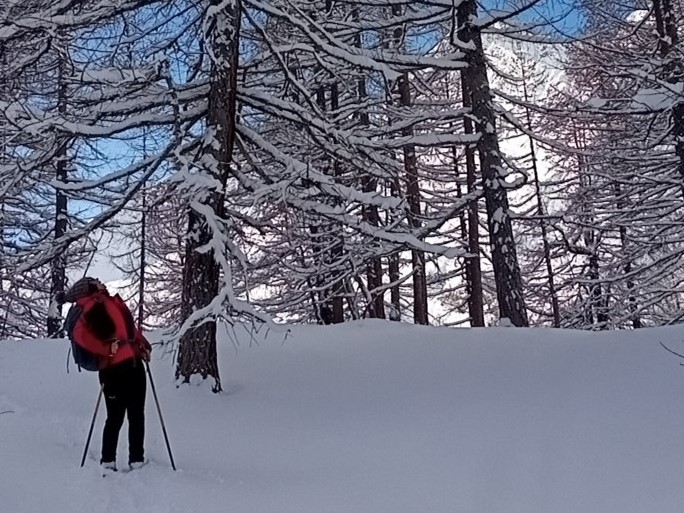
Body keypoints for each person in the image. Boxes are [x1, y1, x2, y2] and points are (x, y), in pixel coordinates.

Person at [60, 277, 152, 473]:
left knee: (136, 414)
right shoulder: (89, 305)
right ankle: (109, 460)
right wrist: (106, 349)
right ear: (89, 287)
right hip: (112, 368)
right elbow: (81, 336)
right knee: (117, 416)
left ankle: (136, 459)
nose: (101, 282)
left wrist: (143, 344)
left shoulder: (110, 302)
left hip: (133, 362)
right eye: (97, 281)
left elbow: (130, 330)